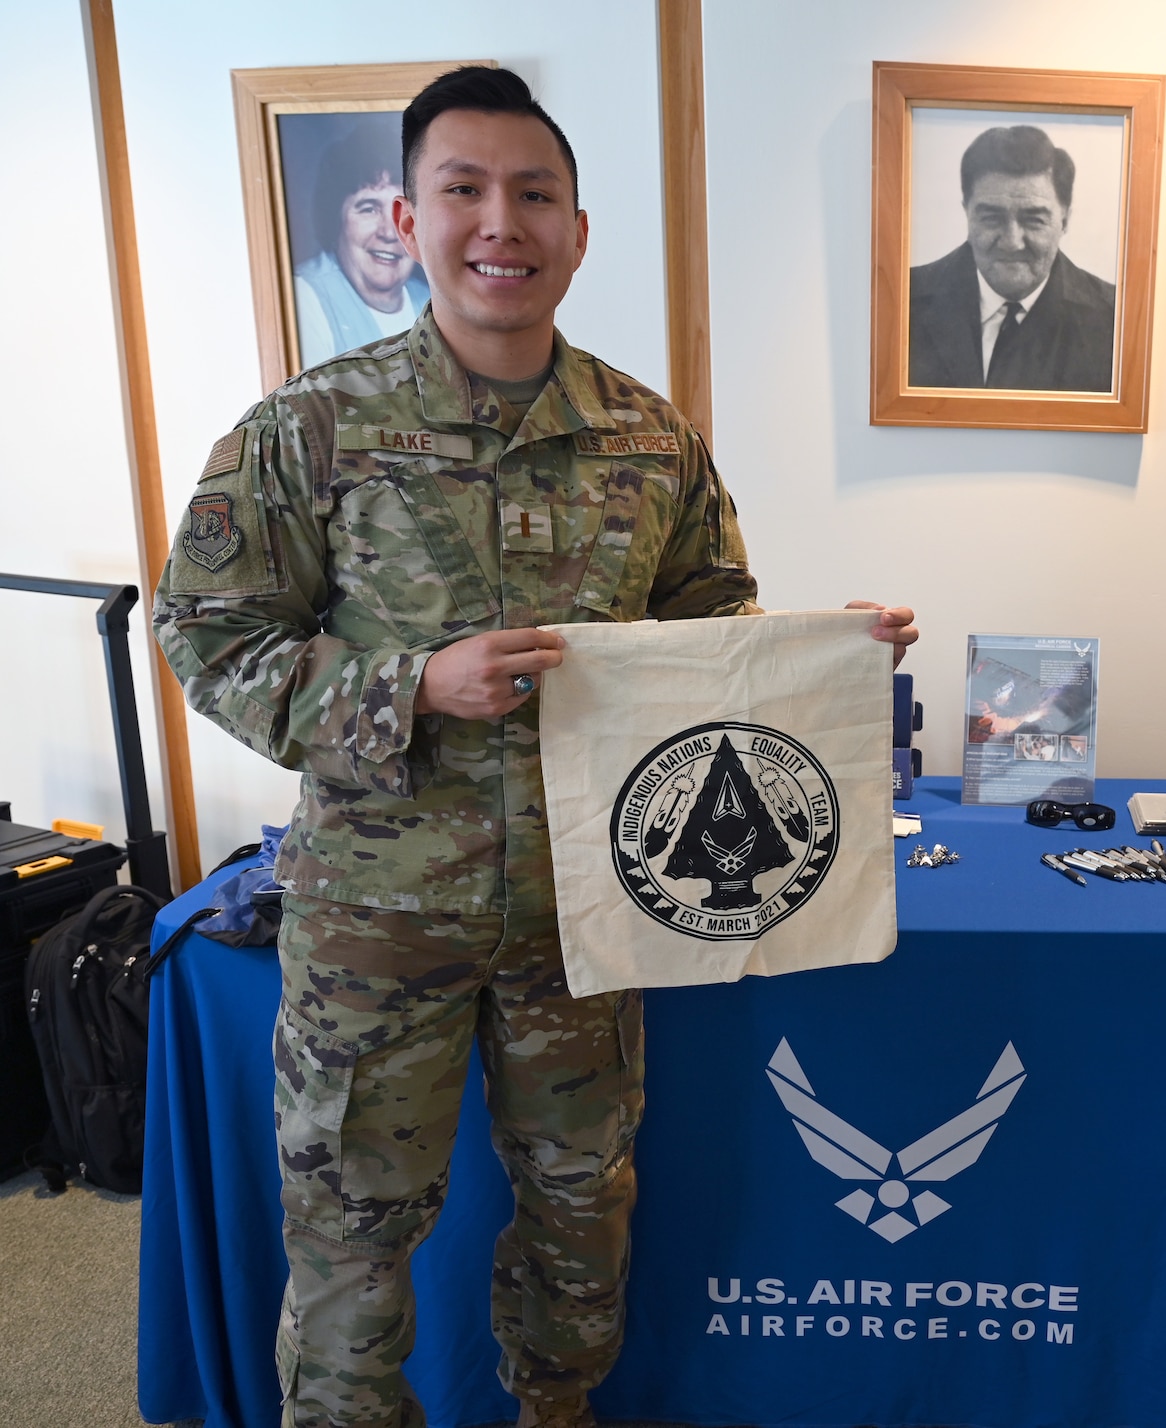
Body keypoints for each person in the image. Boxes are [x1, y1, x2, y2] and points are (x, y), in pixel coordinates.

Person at [153, 66, 917, 1428]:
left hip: (590, 915)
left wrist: (826, 658)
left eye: (534, 195)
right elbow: (209, 634)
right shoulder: (308, 431)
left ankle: (554, 1414)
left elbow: (709, 643)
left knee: (583, 1215)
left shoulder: (647, 436)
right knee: (354, 1232)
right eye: (464, 190)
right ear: (407, 214)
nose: (499, 222)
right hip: (383, 916)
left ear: (575, 230)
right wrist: (407, 688)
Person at [907, 124, 1117, 392]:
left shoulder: (1114, 322)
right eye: (991, 218)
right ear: (967, 214)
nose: (1012, 242)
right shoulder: (904, 302)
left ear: (1064, 220)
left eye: (1033, 220)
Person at [293, 125, 431, 368]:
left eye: (403, 212)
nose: (389, 232)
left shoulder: (429, 298)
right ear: (335, 218)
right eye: (369, 208)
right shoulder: (304, 299)